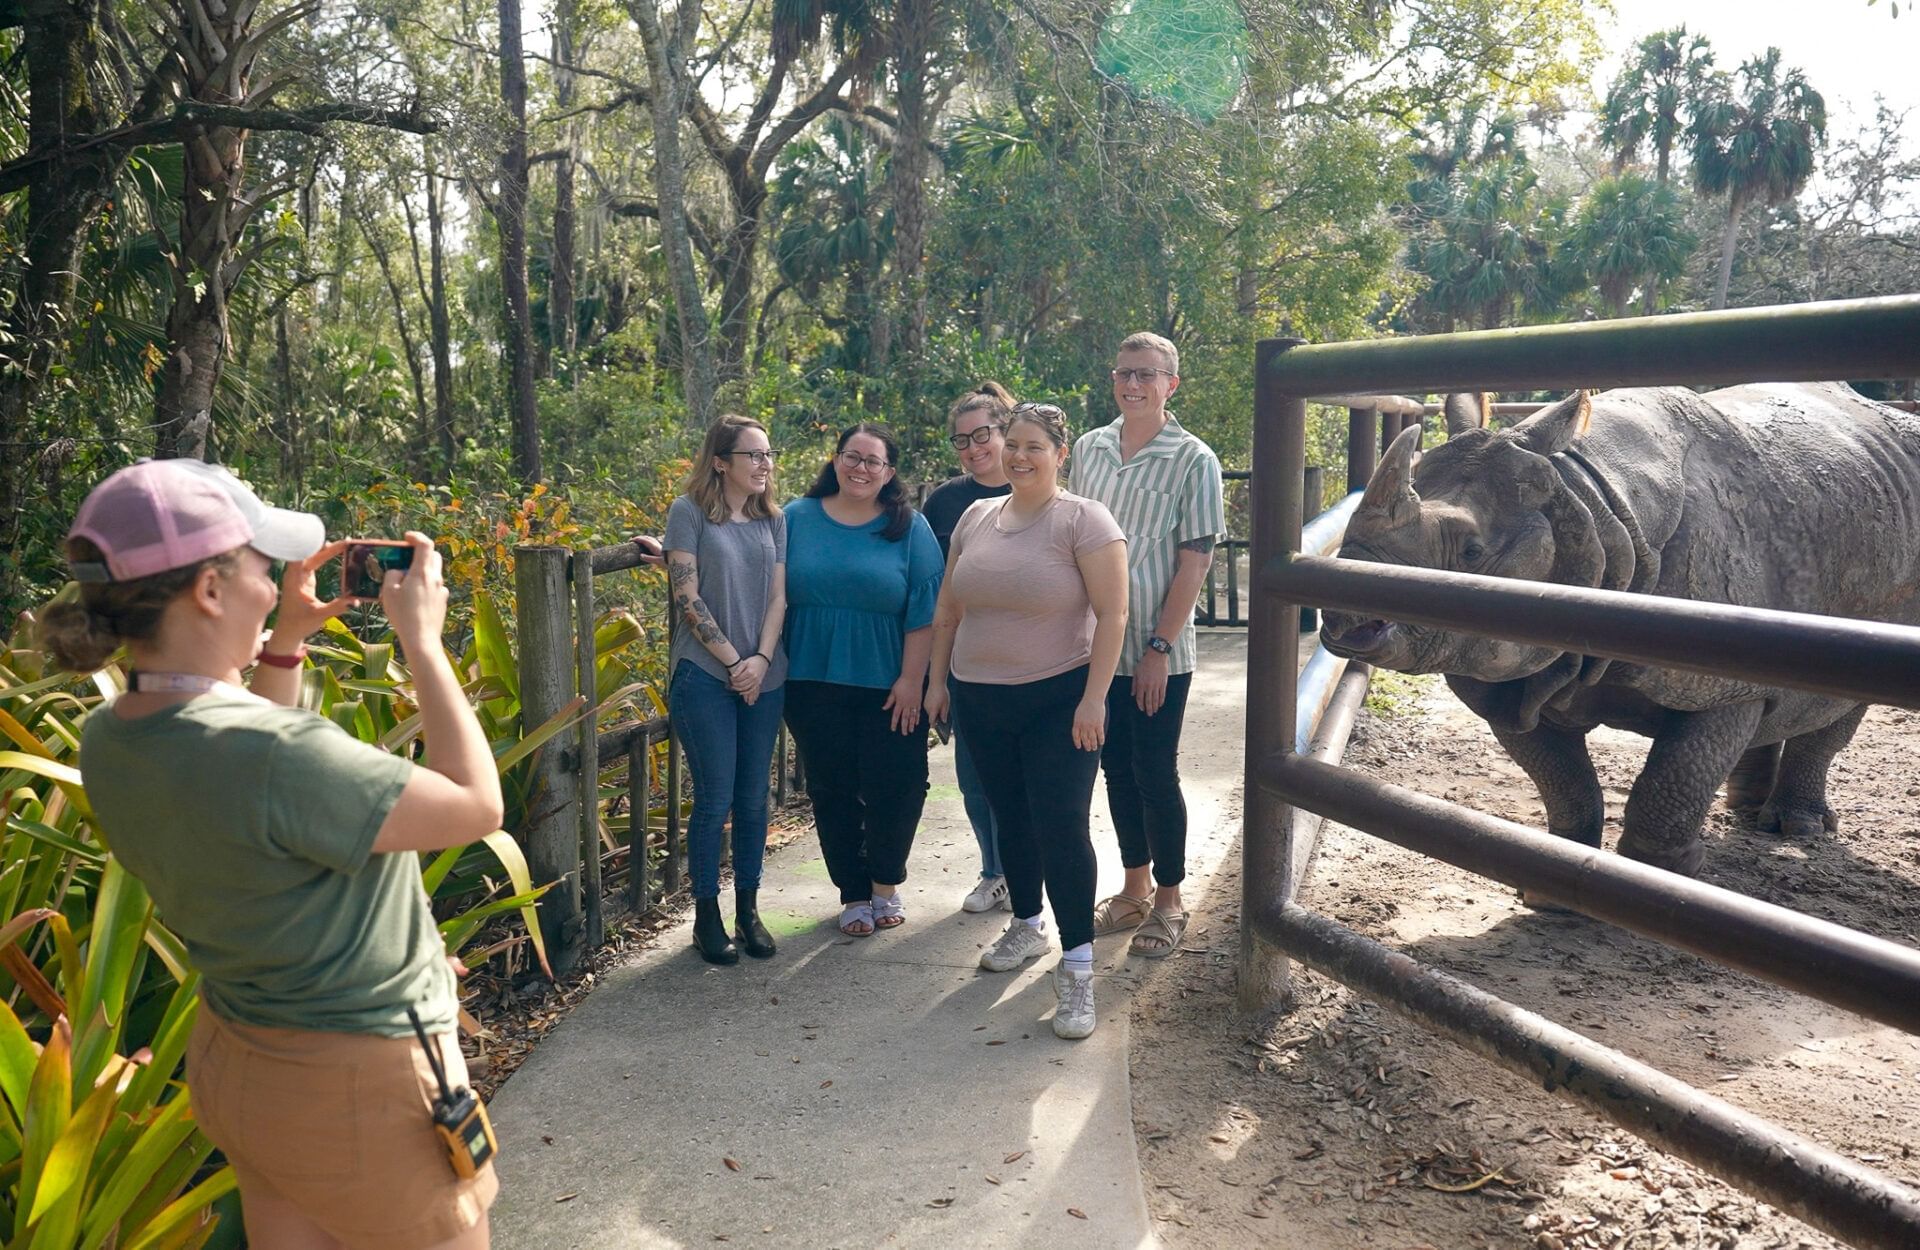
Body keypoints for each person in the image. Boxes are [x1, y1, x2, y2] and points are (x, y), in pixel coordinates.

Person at [40, 459, 503, 1249]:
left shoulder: (112, 736)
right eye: (262, 568)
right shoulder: (274, 755)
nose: (273, 583)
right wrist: (422, 644)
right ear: (210, 592)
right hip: (362, 1084)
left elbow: (248, 785)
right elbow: (474, 804)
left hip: (244, 1062)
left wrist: (282, 641)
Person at [925, 402, 1128, 1040]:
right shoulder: (977, 515)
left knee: (1061, 825)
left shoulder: (1084, 521)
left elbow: (1114, 615)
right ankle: (1026, 925)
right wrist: (937, 682)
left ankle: (1076, 966)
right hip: (980, 697)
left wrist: (1094, 698)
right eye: (1011, 443)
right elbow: (949, 607)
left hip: (1058, 699)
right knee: (1008, 817)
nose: (1018, 455)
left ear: (1059, 454)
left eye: (1033, 445)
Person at [1071, 331, 1225, 959]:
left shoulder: (1194, 459)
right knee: (1114, 768)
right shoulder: (1089, 448)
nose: (1133, 385)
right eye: (1123, 373)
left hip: (1156, 651)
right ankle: (1133, 886)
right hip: (1092, 647)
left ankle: (1169, 899)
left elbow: (1195, 561)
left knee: (1154, 772)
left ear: (1171, 384)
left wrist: (1160, 647)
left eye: (1147, 374)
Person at [782, 423, 944, 937]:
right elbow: (737, 545)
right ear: (835, 460)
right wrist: (672, 546)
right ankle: (852, 893)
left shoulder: (907, 525)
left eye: (873, 462)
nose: (861, 468)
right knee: (832, 788)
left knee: (899, 784)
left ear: (889, 473)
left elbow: (926, 608)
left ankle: (885, 884)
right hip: (811, 679)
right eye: (853, 457)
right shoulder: (794, 518)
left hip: (889, 682)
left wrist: (911, 681)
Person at [664, 415, 789, 965]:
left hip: (765, 673)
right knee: (715, 796)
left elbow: (779, 598)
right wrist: (736, 662)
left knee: (752, 796)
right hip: (706, 676)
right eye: (753, 455)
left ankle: (749, 910)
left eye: (768, 454)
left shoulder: (774, 519)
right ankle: (706, 916)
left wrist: (760, 659)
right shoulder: (688, 512)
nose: (764, 464)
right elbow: (688, 599)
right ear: (721, 461)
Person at [918, 383, 1017, 914]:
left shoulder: (1036, 488)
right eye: (962, 440)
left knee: (1025, 774)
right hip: (963, 656)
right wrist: (936, 677)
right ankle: (994, 871)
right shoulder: (945, 502)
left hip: (1032, 655)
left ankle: (1028, 872)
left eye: (983, 434)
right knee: (973, 773)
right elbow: (938, 592)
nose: (974, 448)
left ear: (1006, 430)